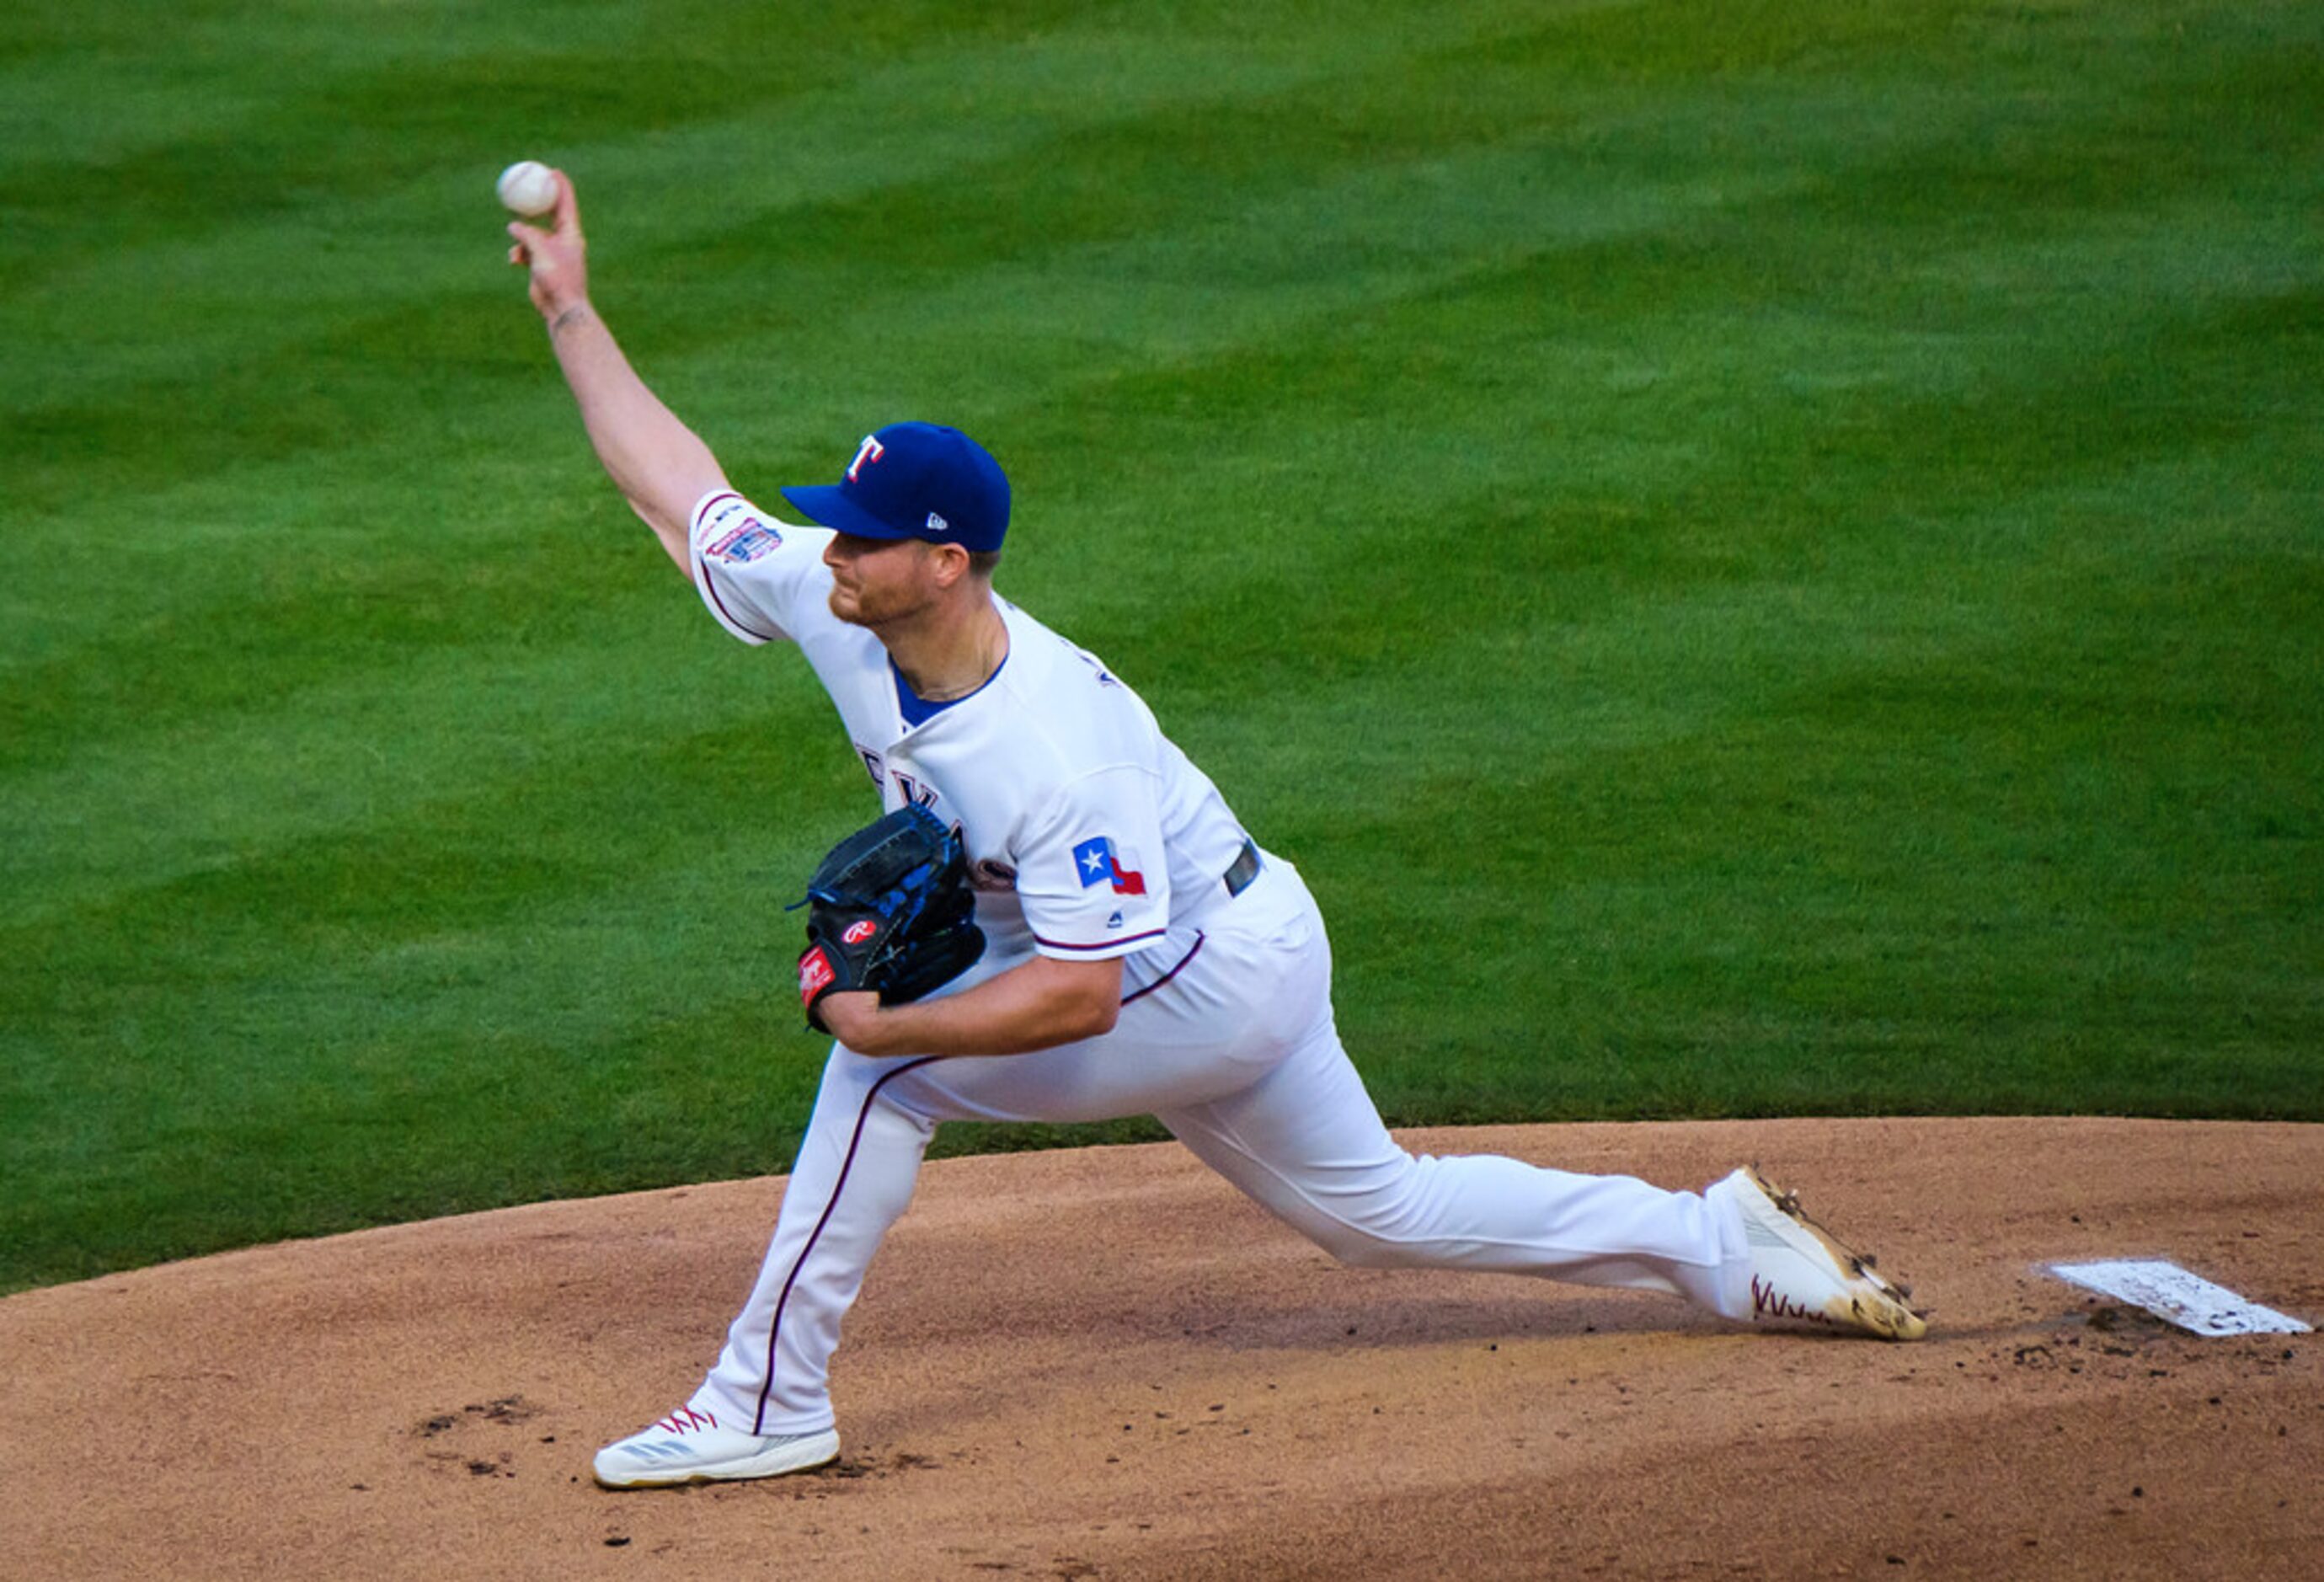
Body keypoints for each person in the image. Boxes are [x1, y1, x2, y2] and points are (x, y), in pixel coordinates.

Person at [504, 171, 1927, 1490]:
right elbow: (678, 488)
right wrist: (570, 305)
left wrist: (888, 1032)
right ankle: (1712, 1241)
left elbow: (1082, 990)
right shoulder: (841, 601)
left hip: (1198, 970)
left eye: (865, 535)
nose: (832, 549)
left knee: (887, 1083)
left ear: (948, 562)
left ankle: (766, 1401)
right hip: (1231, 928)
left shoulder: (1046, 748)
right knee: (1376, 1214)